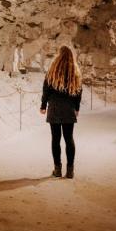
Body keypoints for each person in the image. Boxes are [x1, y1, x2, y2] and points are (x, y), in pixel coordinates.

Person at [40, 45, 82, 179]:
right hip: (68, 109)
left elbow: (46, 89)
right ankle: (70, 171)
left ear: (59, 55)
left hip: (55, 108)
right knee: (69, 139)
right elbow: (78, 93)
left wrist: (43, 105)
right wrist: (76, 108)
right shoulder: (74, 73)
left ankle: (57, 169)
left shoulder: (52, 71)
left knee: (55, 139)